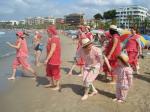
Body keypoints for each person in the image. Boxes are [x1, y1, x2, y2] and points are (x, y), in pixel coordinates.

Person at [44, 25, 61, 91]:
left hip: (54, 59)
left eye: (47, 31)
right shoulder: (51, 38)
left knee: (55, 72)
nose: (47, 33)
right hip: (50, 58)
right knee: (49, 71)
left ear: (51, 32)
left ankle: (57, 86)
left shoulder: (54, 39)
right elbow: (49, 50)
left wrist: (47, 59)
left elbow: (52, 50)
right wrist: (47, 59)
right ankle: (52, 83)